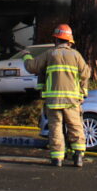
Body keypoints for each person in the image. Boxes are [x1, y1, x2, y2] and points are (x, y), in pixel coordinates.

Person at [24, 24, 91, 167]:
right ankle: (78, 157)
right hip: (71, 101)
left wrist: (26, 55)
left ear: (56, 40)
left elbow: (31, 67)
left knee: (55, 128)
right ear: (69, 41)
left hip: (54, 101)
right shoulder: (76, 55)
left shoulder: (50, 54)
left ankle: (57, 159)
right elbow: (86, 74)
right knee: (75, 127)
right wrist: (83, 93)